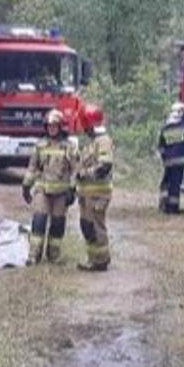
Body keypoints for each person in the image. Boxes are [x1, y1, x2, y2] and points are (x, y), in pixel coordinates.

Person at [22, 109, 76, 265]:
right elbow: (32, 168)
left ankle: (53, 255)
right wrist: (26, 186)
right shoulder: (40, 146)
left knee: (58, 224)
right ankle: (33, 255)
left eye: (55, 126)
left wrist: (72, 190)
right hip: (42, 190)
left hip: (61, 192)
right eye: (49, 126)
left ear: (61, 127)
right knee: (39, 221)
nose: (52, 129)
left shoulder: (69, 147)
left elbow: (75, 170)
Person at [74, 103, 114, 272]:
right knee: (87, 227)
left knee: (96, 227)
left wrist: (86, 173)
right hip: (86, 195)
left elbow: (105, 165)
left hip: (98, 194)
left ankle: (101, 261)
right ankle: (93, 259)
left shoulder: (103, 141)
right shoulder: (92, 143)